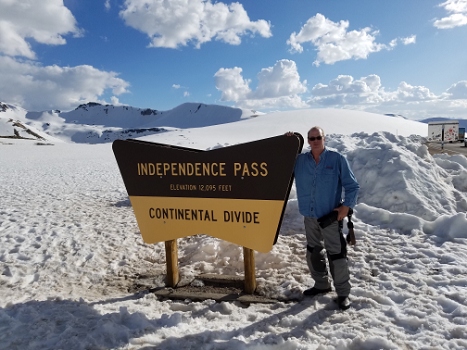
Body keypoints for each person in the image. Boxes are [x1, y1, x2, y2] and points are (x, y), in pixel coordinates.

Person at [290, 126, 359, 310]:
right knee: (313, 251)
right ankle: (321, 284)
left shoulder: (337, 159)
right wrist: (287, 143)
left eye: (318, 137)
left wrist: (346, 207)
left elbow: (352, 186)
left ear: (324, 138)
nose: (314, 141)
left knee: (336, 254)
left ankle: (343, 293)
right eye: (311, 138)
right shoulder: (300, 161)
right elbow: (280, 161)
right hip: (309, 216)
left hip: (330, 217)